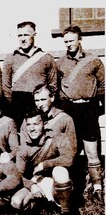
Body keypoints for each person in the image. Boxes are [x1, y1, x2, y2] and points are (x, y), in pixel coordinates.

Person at [56, 25, 105, 203]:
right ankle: (73, 189)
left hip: (88, 109)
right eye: (66, 41)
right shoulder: (60, 63)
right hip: (69, 110)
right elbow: (56, 88)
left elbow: (103, 86)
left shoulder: (94, 61)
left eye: (71, 40)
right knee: (71, 150)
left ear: (79, 39)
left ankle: (98, 187)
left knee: (92, 150)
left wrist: (100, 109)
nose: (68, 44)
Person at [10, 110, 76, 215]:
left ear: (45, 124)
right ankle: (41, 205)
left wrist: (44, 164)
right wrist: (33, 186)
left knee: (60, 171)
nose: (32, 128)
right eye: (29, 125)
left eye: (36, 124)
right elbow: (19, 175)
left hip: (56, 183)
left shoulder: (58, 137)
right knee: (16, 202)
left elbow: (68, 159)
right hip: (37, 182)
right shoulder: (24, 147)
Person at [2, 21, 57, 129]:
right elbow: (6, 86)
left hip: (39, 103)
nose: (23, 39)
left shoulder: (46, 58)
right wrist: (13, 105)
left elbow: (53, 85)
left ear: (34, 34)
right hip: (17, 104)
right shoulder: (11, 58)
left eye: (26, 35)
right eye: (20, 35)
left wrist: (45, 104)